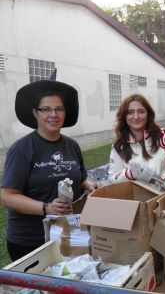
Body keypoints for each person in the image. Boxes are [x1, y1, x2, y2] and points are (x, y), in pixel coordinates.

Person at [1, 79, 96, 261]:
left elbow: (81, 177)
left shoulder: (72, 145)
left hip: (68, 233)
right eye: (46, 109)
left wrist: (90, 185)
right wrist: (46, 208)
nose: (53, 114)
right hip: (31, 241)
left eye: (59, 109)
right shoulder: (22, 149)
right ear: (35, 113)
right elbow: (6, 196)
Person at [108, 94, 165, 191]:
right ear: (124, 116)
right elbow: (112, 178)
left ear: (148, 114)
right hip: (137, 201)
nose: (136, 117)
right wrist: (129, 174)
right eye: (130, 112)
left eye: (141, 112)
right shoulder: (119, 146)